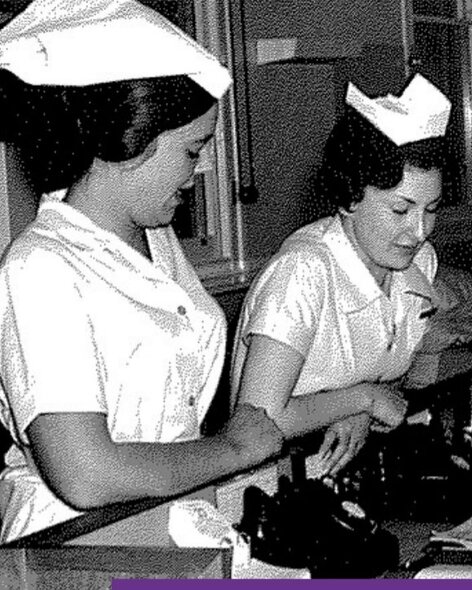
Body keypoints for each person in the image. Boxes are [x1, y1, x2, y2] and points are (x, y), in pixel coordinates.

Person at [0, 0, 284, 543]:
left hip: (171, 524)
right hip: (81, 547)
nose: (199, 171)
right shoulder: (40, 267)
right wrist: (232, 448)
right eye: (191, 150)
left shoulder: (156, 238)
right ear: (132, 139)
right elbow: (86, 473)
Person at [229, 74, 451, 477]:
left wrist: (362, 408)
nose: (419, 231)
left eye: (431, 209)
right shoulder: (301, 273)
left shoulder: (419, 263)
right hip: (277, 483)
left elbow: (390, 374)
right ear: (349, 196)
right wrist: (363, 399)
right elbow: (259, 420)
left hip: (356, 471)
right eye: (401, 210)